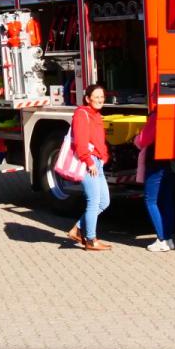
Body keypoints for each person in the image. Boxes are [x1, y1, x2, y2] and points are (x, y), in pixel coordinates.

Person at [65, 84, 113, 251]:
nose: (100, 100)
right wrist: (89, 161)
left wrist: (104, 157)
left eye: (102, 97)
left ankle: (77, 229)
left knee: (104, 202)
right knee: (93, 202)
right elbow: (80, 142)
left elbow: (99, 140)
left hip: (97, 163)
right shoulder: (82, 114)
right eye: (96, 97)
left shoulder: (96, 115)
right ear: (87, 99)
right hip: (89, 163)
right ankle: (91, 240)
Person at [134, 120, 175, 252]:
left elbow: (142, 141)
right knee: (167, 202)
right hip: (170, 162)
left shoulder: (156, 117)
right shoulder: (171, 115)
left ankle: (161, 240)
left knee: (151, 201)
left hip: (156, 163)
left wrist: (136, 137)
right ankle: (168, 239)